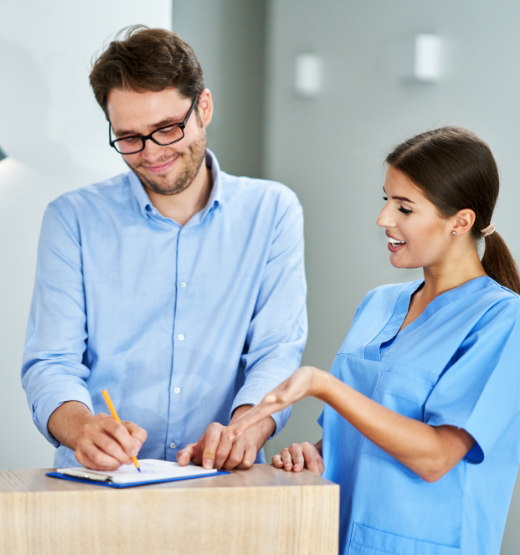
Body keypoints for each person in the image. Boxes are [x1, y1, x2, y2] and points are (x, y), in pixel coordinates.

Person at [229, 127, 520, 555]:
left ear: (461, 221)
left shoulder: (503, 321)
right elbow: (363, 434)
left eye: (404, 208)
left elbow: (436, 457)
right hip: (334, 540)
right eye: (385, 200)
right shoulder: (378, 304)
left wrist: (324, 385)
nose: (383, 220)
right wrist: (316, 453)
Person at [21, 26, 307, 472]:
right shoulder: (71, 219)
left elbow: (276, 352)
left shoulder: (272, 211)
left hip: (221, 479)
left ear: (204, 108)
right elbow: (51, 363)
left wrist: (245, 430)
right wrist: (82, 429)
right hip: (101, 484)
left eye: (167, 129)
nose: (151, 153)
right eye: (129, 137)